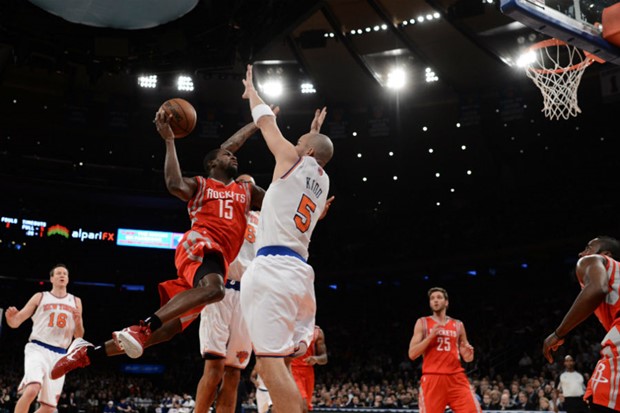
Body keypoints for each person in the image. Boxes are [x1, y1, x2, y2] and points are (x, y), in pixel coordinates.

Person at [51, 107, 265, 379]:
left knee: (169, 330)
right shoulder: (201, 185)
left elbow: (281, 202)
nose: (233, 156)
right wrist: (169, 140)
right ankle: (146, 325)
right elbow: (174, 183)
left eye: (233, 154)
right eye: (227, 155)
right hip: (200, 244)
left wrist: (261, 124)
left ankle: (87, 354)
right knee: (215, 291)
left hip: (216, 262)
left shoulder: (247, 191)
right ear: (213, 164)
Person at [239, 64, 333, 413]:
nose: (292, 145)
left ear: (305, 152)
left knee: (268, 364)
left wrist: (253, 94)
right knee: (281, 362)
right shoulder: (323, 184)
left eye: (298, 143)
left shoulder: (294, 158)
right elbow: (316, 155)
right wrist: (313, 134)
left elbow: (267, 123)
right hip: (299, 276)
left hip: (273, 269)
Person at [543, 236, 620, 412]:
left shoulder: (593, 260)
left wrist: (558, 334)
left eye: (588, 248)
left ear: (606, 254)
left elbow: (597, 288)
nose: (582, 253)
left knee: (601, 401)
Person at [4, 264, 84, 413]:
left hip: (60, 355)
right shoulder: (40, 297)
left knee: (49, 408)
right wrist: (10, 319)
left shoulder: (76, 301)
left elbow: (79, 336)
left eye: (65, 274)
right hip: (38, 348)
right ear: (51, 278)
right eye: (58, 273)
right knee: (32, 389)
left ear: (67, 279)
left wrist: (78, 323)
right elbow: (16, 322)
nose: (62, 275)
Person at [407, 287, 481, 413]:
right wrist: (430, 337)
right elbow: (412, 354)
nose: (435, 301)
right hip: (433, 377)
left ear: (446, 302)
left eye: (439, 297)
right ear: (430, 303)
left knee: (473, 411)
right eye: (432, 298)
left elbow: (468, 358)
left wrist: (468, 354)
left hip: (456, 377)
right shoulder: (422, 322)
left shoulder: (458, 324)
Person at [290, 325, 328, 411]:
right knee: (302, 404)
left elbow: (324, 358)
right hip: (292, 369)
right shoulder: (289, 328)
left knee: (306, 408)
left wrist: (316, 359)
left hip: (308, 371)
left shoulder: (317, 332)